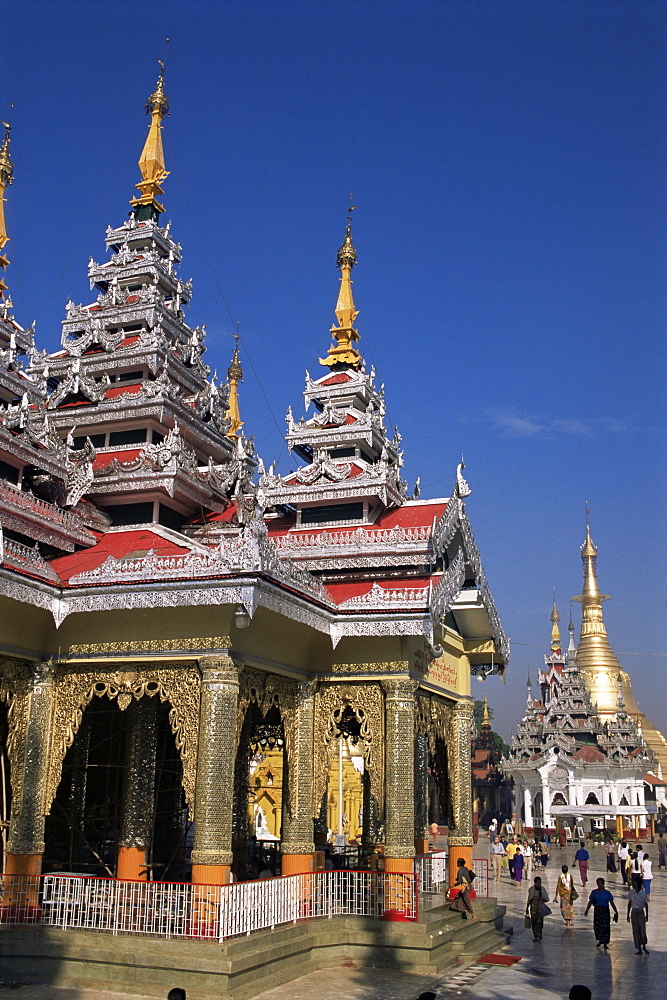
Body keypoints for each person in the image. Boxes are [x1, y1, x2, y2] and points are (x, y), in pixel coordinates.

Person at [584, 877, 618, 951]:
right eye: (598, 883)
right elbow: (590, 901)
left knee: (605, 927)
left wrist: (616, 911)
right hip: (597, 911)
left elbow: (612, 903)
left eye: (601, 883)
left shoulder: (607, 893)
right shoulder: (594, 892)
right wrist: (587, 910)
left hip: (605, 911)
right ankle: (600, 940)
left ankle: (605, 942)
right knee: (598, 926)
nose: (599, 885)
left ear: (603, 884)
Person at [626, 874, 649, 955]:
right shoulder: (631, 893)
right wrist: (627, 915)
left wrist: (647, 915)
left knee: (642, 930)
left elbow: (646, 904)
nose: (633, 885)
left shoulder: (643, 893)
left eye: (635, 883)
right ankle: (638, 947)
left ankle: (644, 946)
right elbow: (629, 903)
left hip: (641, 912)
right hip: (634, 912)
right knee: (635, 930)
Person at [525, 875, 549, 942]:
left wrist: (541, 899)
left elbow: (547, 899)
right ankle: (536, 935)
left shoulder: (542, 889)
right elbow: (529, 899)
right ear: (535, 883)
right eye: (538, 883)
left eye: (540, 883)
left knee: (540, 922)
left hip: (540, 908)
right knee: (534, 921)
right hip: (533, 908)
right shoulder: (531, 890)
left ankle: (540, 933)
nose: (539, 884)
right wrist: (527, 908)